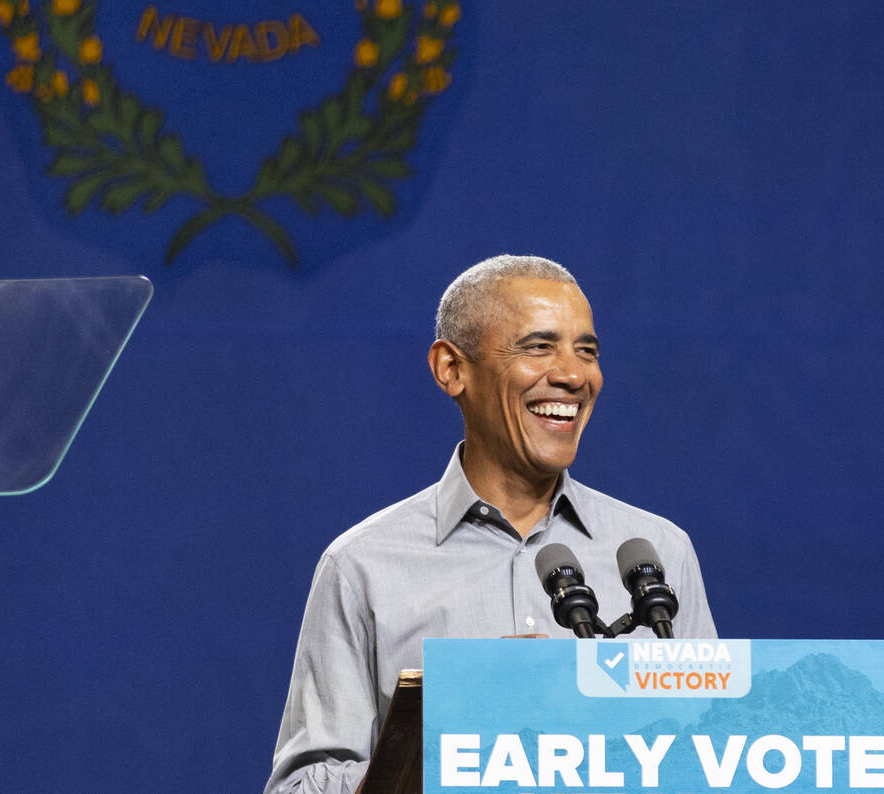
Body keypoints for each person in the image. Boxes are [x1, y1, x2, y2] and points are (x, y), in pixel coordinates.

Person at [264, 254, 716, 793]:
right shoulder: (361, 565)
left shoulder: (658, 552)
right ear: (452, 370)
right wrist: (449, 739)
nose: (573, 375)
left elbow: (715, 757)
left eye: (587, 351)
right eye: (538, 347)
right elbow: (300, 788)